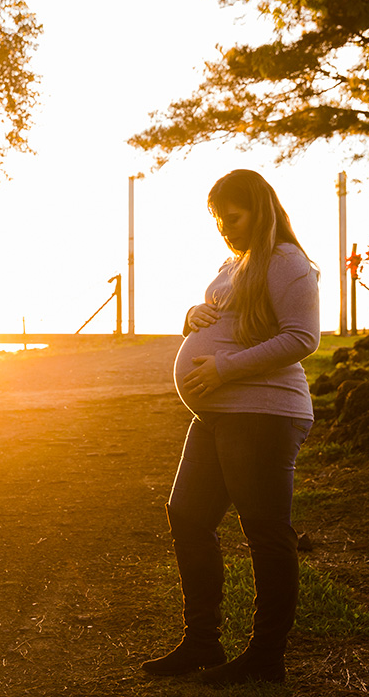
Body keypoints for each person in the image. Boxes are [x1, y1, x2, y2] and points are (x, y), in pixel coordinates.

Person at [141, 169, 320, 685]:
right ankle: (200, 642)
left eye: (233, 217)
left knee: (265, 533)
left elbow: (303, 337)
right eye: (218, 218)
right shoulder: (234, 262)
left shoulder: (287, 261)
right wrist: (194, 314)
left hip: (265, 411)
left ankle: (266, 657)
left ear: (260, 210)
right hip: (218, 413)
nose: (224, 227)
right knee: (188, 515)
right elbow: (229, 319)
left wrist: (223, 368)